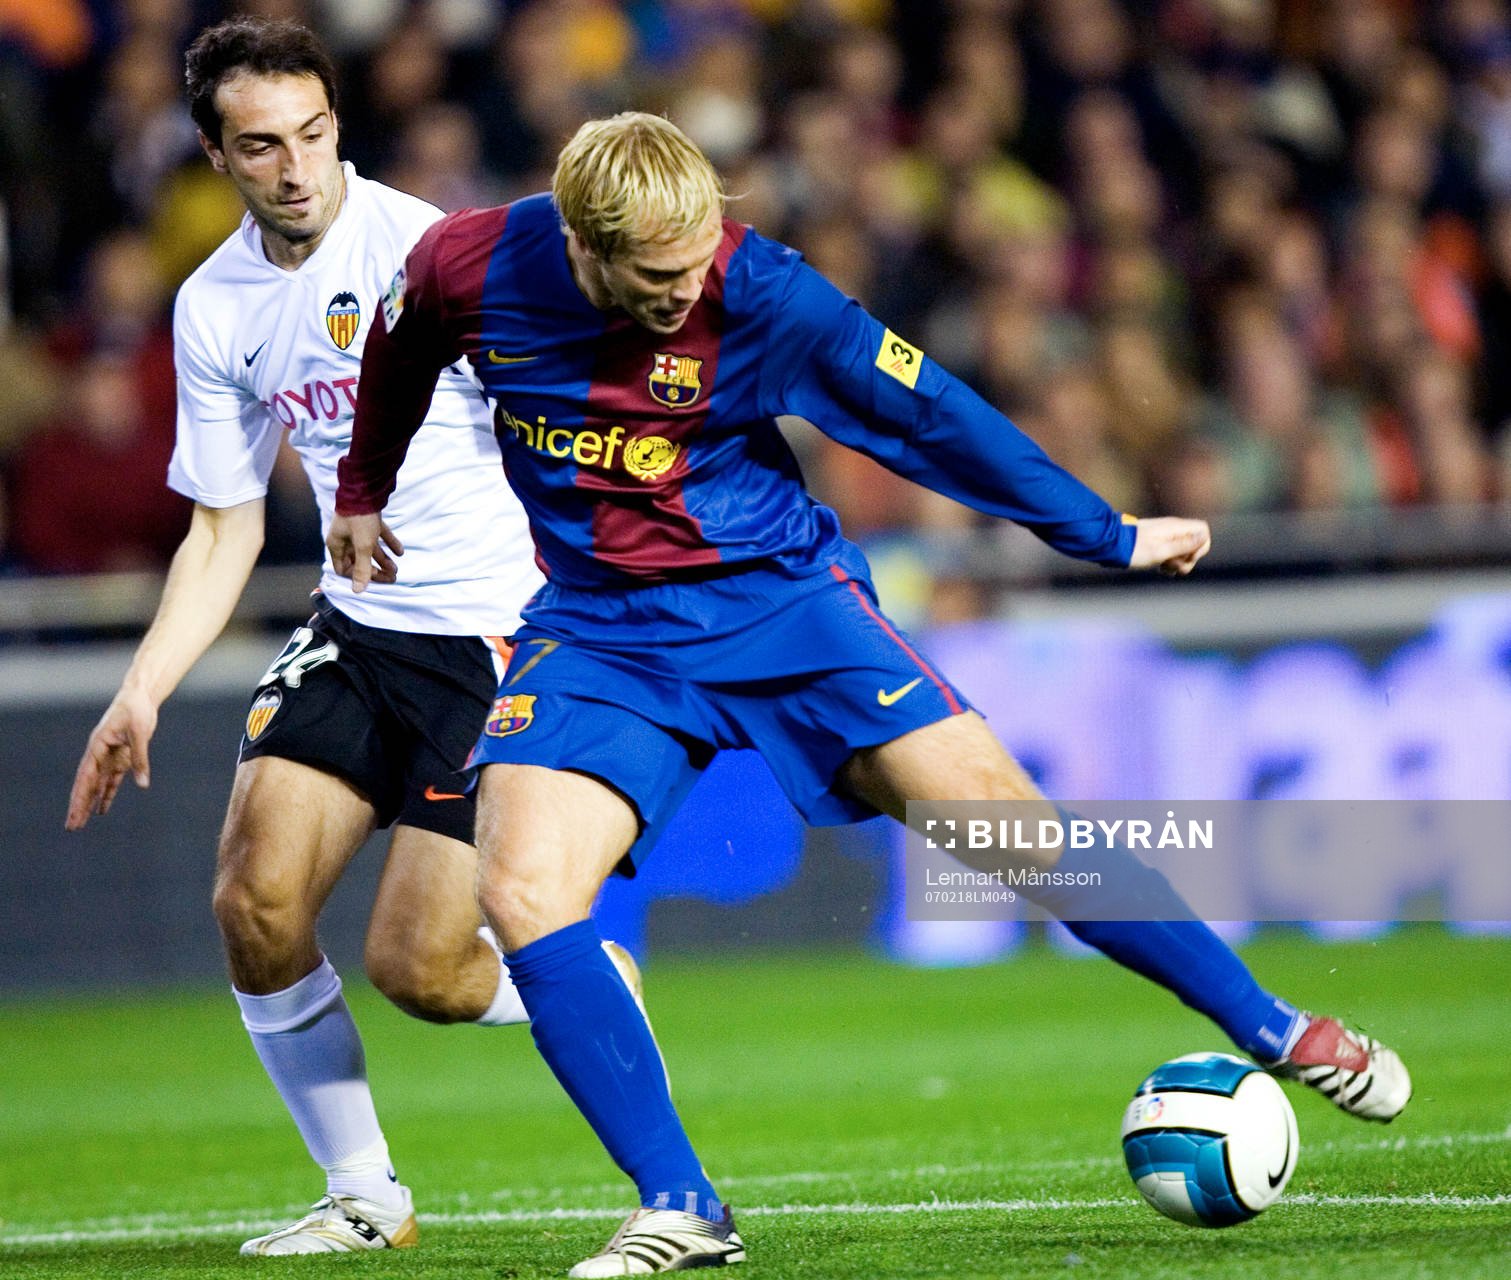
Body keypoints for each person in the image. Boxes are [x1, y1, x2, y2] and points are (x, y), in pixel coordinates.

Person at [329, 112, 1412, 1277]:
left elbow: (929, 416)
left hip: (782, 604)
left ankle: (1272, 1024)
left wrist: (1100, 531)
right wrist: (361, 486)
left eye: (700, 257)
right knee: (523, 888)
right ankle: (681, 1202)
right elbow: (397, 352)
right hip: (600, 628)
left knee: (1019, 837)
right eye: (659, 275)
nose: (690, 285)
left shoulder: (766, 292)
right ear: (585, 247)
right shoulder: (471, 264)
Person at [64, 21, 651, 1258]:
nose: (295, 168)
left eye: (315, 136)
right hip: (358, 628)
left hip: (491, 636)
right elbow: (220, 528)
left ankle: (585, 980)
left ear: (341, 129)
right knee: (252, 898)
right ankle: (364, 1192)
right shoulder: (214, 306)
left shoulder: (433, 255)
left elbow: (566, 430)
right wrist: (141, 692)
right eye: (263, 146)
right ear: (217, 156)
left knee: (421, 970)